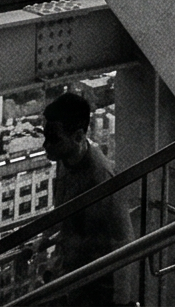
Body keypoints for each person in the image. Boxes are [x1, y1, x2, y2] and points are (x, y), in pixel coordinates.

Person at [41, 91, 131, 307]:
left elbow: (118, 242)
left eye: (54, 139)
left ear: (79, 136)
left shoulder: (101, 179)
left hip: (97, 288)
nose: (46, 145)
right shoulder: (66, 159)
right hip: (75, 276)